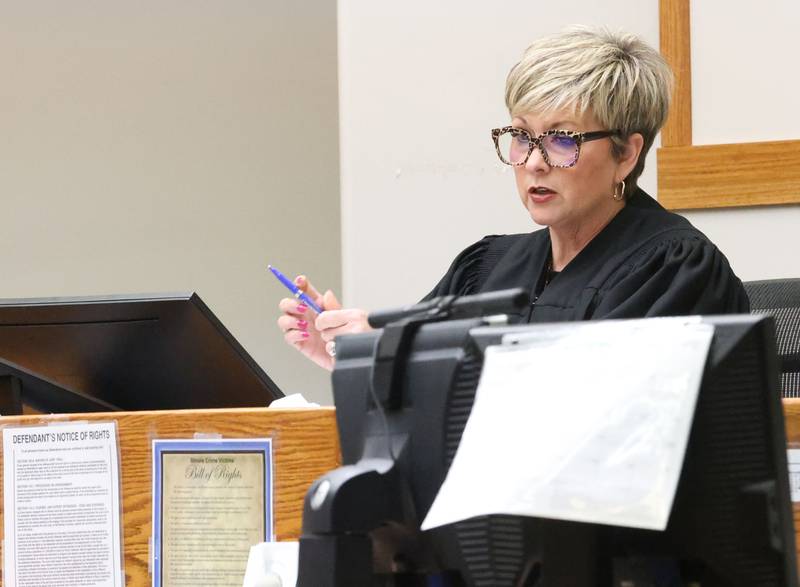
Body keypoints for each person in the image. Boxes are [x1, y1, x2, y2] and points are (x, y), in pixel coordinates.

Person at [277, 26, 749, 371]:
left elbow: (589, 420)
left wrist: (386, 354)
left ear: (627, 154)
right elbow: (424, 383)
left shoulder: (673, 268)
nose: (534, 162)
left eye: (563, 140)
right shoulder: (487, 267)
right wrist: (350, 356)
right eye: (521, 136)